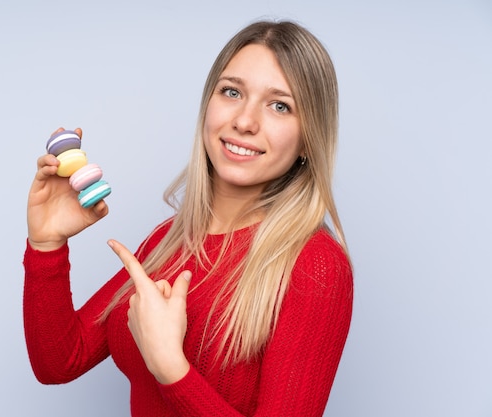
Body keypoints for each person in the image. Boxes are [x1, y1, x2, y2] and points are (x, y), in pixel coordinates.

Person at [23, 19, 353, 417]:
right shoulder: (168, 242)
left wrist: (171, 368)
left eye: (279, 105)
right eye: (232, 92)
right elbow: (60, 361)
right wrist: (46, 246)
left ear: (308, 139)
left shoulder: (316, 266)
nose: (245, 121)